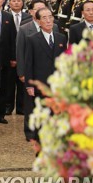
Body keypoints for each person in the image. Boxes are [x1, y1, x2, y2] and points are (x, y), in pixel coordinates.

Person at [25, 8, 67, 141]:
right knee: (42, 115)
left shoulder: (61, 37)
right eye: (44, 18)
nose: (48, 20)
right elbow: (28, 63)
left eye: (50, 17)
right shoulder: (32, 39)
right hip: (40, 83)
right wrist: (29, 85)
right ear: (38, 21)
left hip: (57, 85)